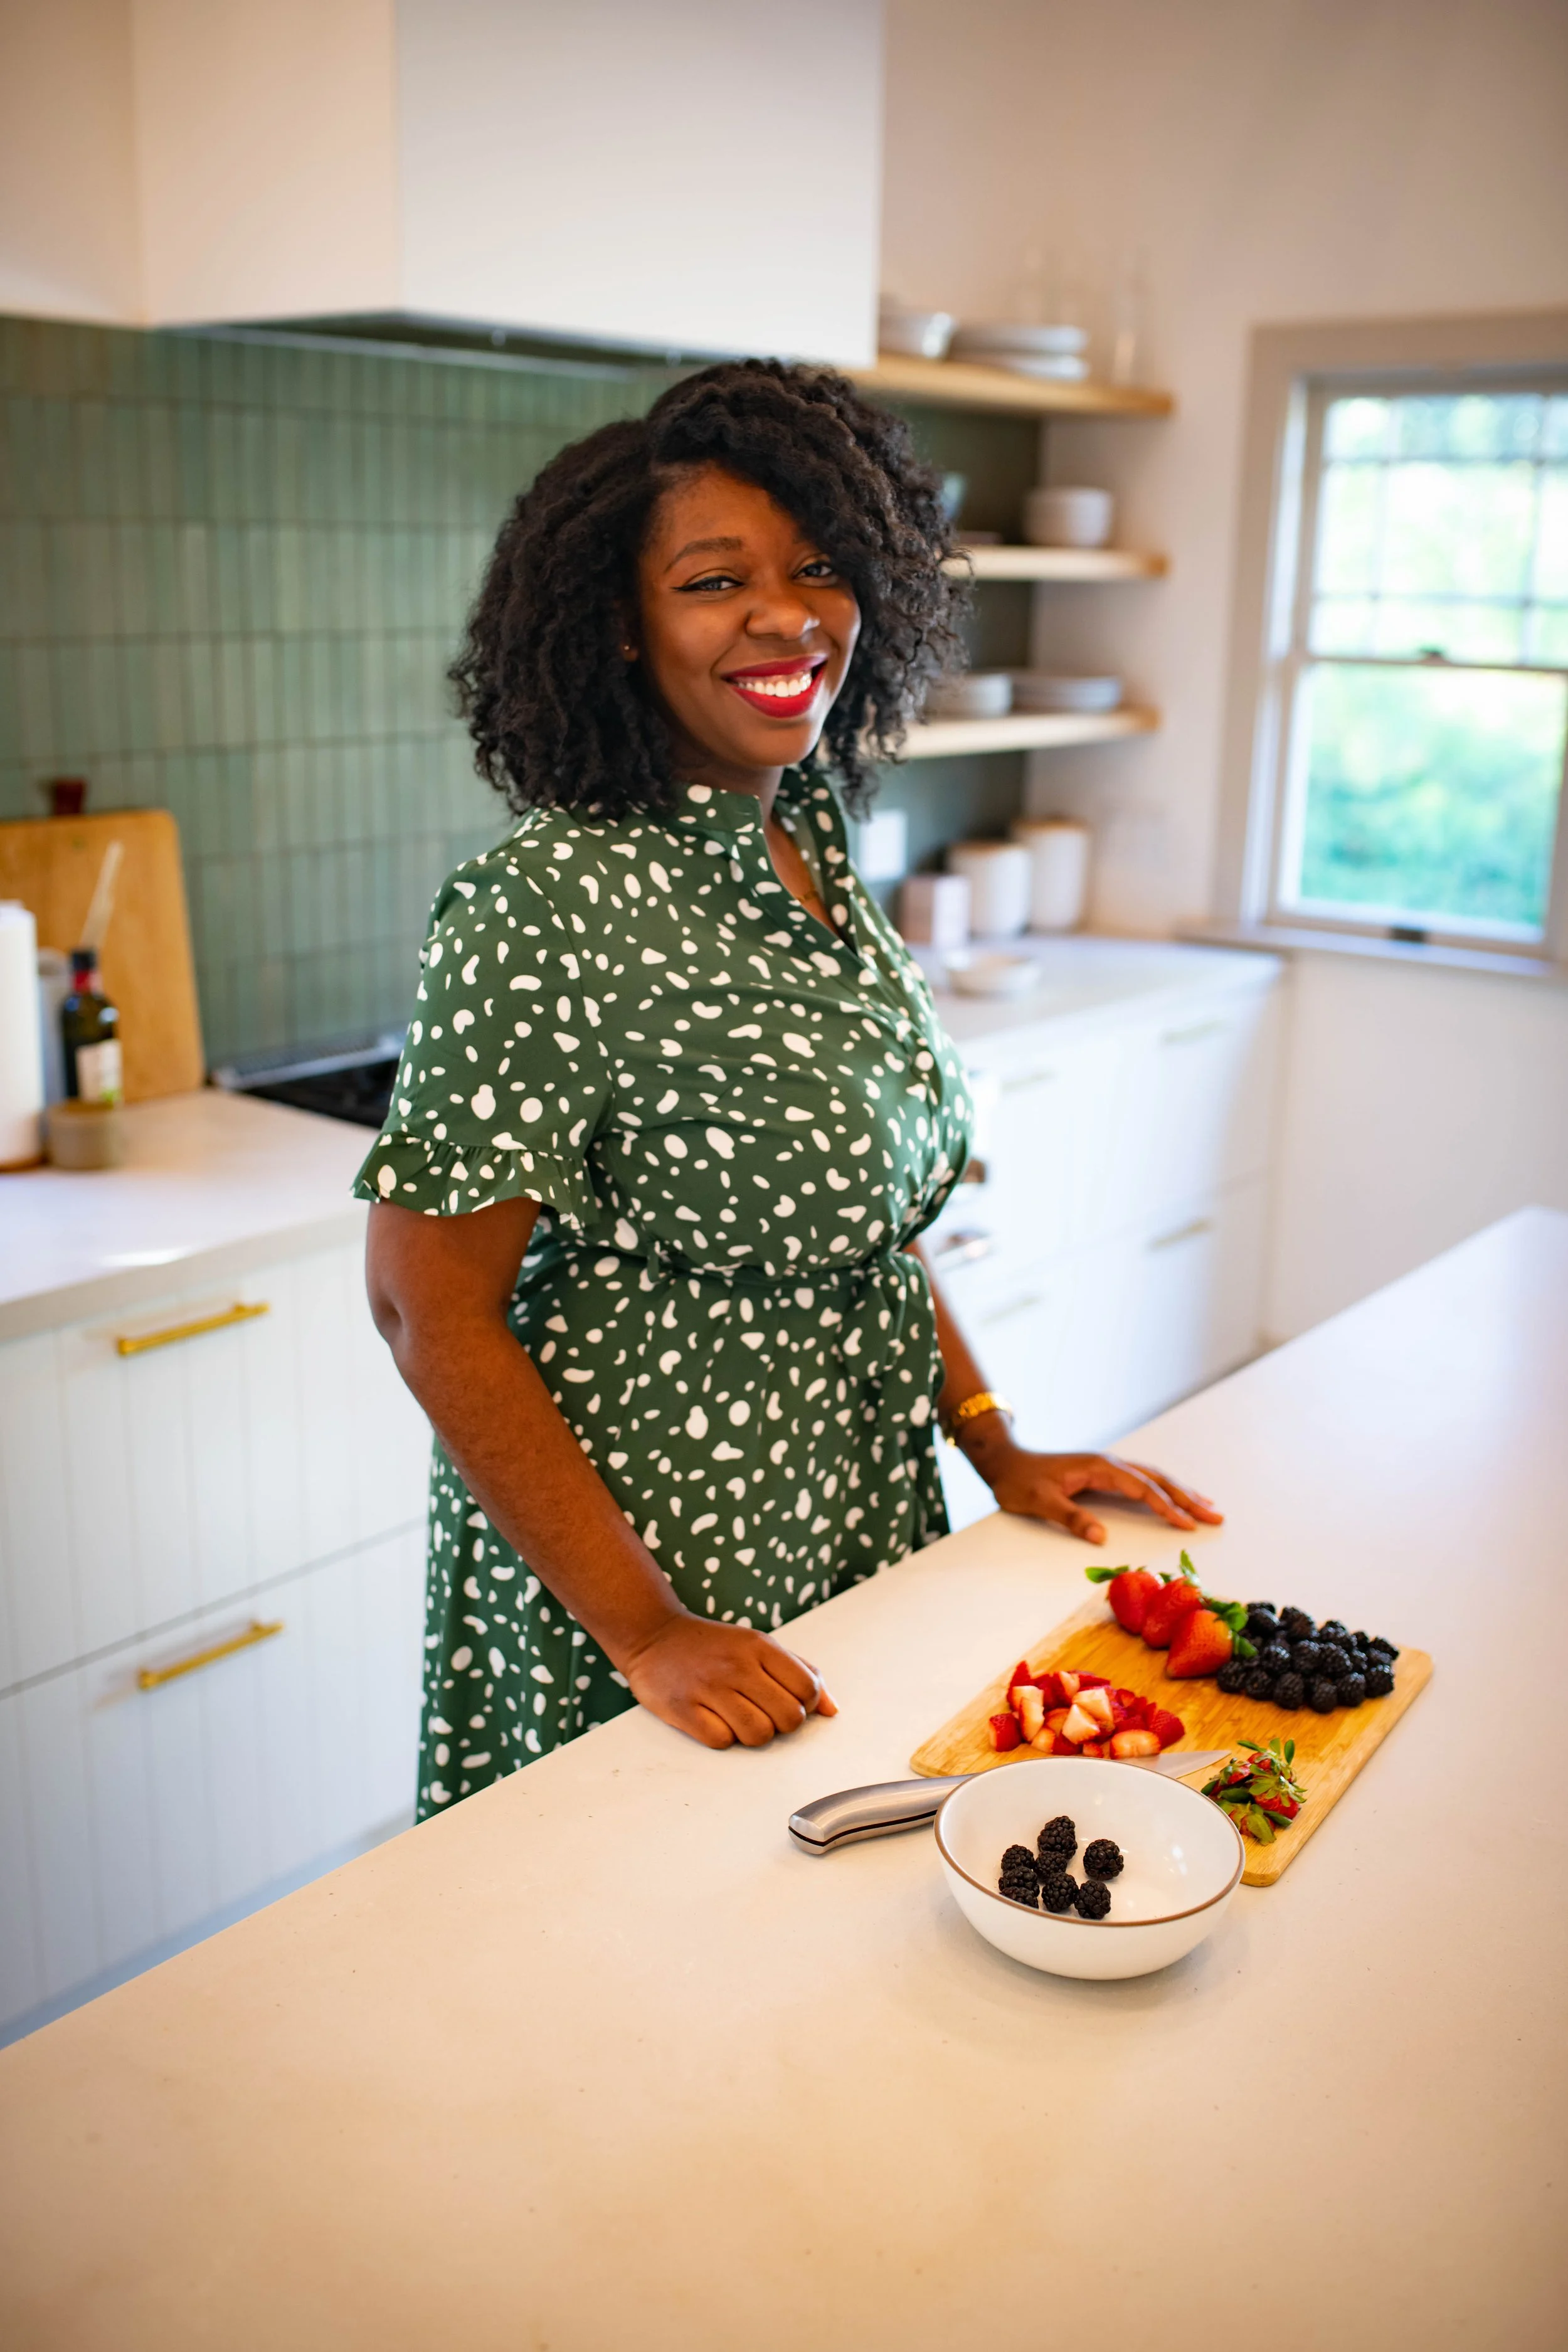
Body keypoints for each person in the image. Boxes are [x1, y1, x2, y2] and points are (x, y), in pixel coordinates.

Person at [358, 360, 1221, 1815]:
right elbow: (421, 1307)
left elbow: (859, 1217)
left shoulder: (809, 836)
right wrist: (645, 1630)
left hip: (852, 1505)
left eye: (819, 566)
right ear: (616, 628)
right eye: (711, 581)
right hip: (658, 1572)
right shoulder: (546, 902)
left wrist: (992, 1440)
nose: (784, 615)